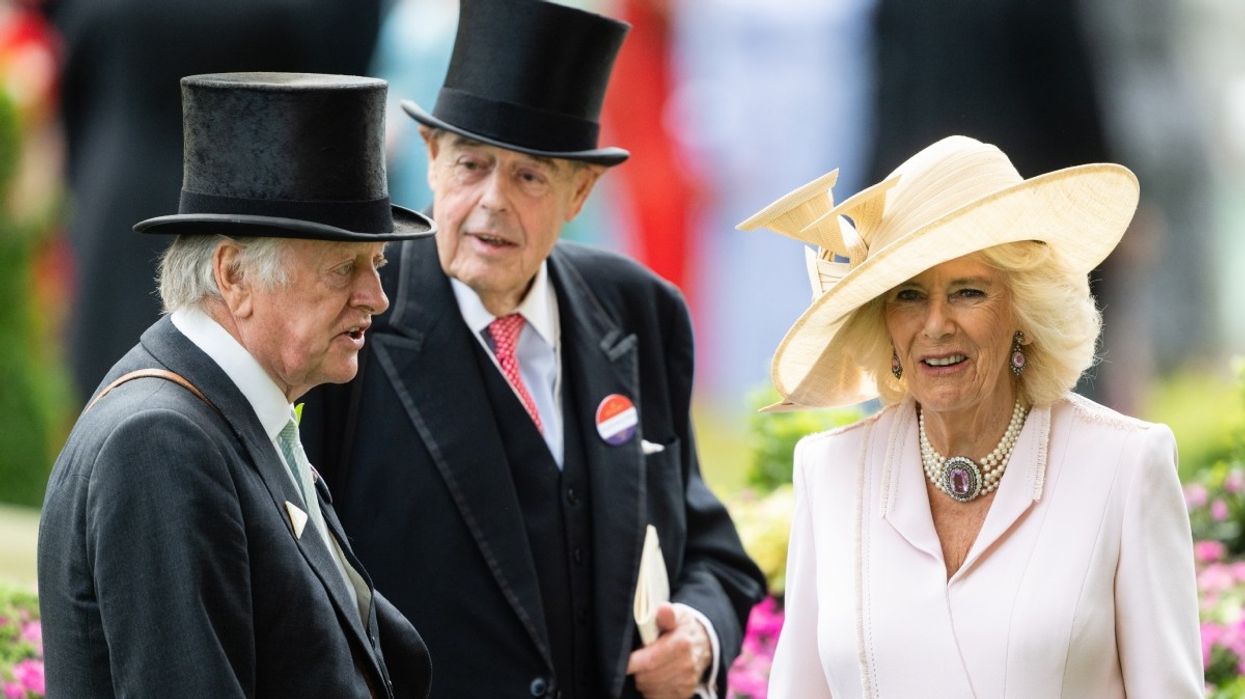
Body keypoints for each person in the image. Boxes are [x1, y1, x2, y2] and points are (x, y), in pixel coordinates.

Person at [299, 1, 766, 697]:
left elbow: (710, 550)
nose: (491, 201)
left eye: (528, 177)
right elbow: (299, 582)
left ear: (579, 192)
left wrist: (696, 633)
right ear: (430, 160)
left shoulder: (640, 312)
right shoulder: (352, 319)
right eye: (472, 165)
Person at [741, 135, 1201, 696]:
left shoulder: (1124, 466)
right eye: (909, 295)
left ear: (1023, 312)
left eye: (967, 292)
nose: (935, 325)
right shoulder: (831, 470)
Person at [37, 72, 436, 699]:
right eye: (343, 269)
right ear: (233, 274)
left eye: (377, 265)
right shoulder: (161, 441)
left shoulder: (229, 414)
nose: (376, 298)